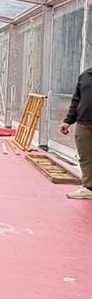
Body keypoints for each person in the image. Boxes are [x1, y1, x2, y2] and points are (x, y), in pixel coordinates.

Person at [60, 64, 92, 199]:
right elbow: (76, 100)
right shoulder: (85, 76)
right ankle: (88, 187)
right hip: (83, 123)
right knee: (85, 157)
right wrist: (68, 121)